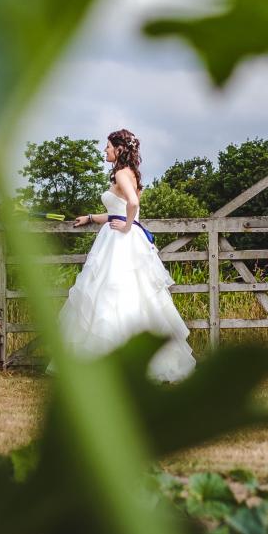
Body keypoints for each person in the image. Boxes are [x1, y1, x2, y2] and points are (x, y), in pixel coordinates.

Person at [59, 128, 196, 382]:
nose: (105, 150)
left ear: (120, 149)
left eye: (108, 146)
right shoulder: (130, 174)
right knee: (131, 296)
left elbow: (132, 205)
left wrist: (127, 225)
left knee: (112, 295)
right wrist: (91, 218)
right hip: (124, 236)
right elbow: (118, 210)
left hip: (120, 240)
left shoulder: (122, 173)